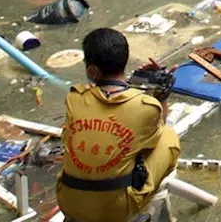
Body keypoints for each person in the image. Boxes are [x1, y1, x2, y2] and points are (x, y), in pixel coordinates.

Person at [56, 28, 181, 222]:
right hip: (116, 211)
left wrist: (130, 83)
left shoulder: (74, 98)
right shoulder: (146, 106)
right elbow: (155, 129)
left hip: (69, 201)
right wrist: (161, 94)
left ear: (91, 70)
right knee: (167, 137)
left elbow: (106, 95)